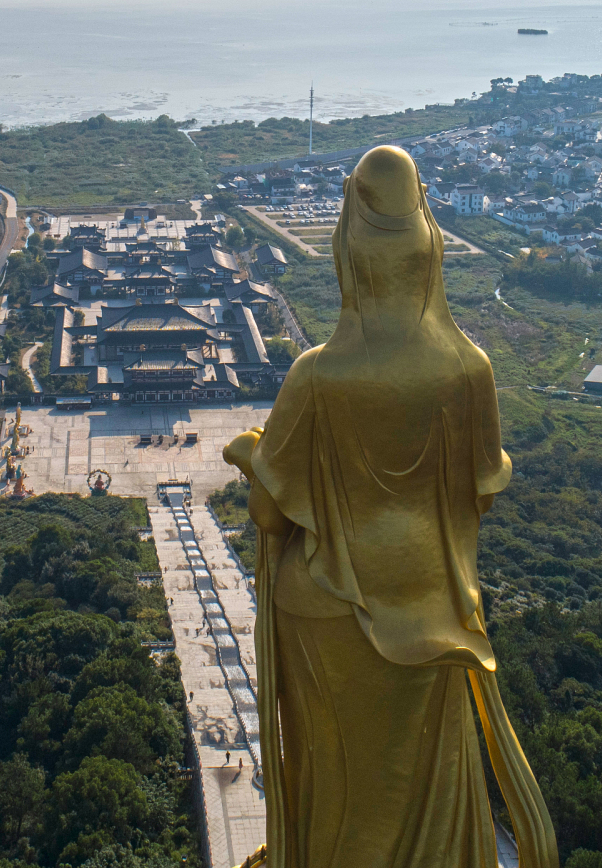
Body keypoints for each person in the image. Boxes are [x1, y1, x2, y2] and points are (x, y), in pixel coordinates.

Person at [224, 146, 557, 868]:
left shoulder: (318, 376)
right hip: (434, 605)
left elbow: (271, 518)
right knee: (417, 782)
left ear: (352, 250)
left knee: (339, 783)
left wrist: (254, 456)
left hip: (326, 605)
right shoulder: (471, 371)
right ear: (425, 246)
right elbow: (481, 497)